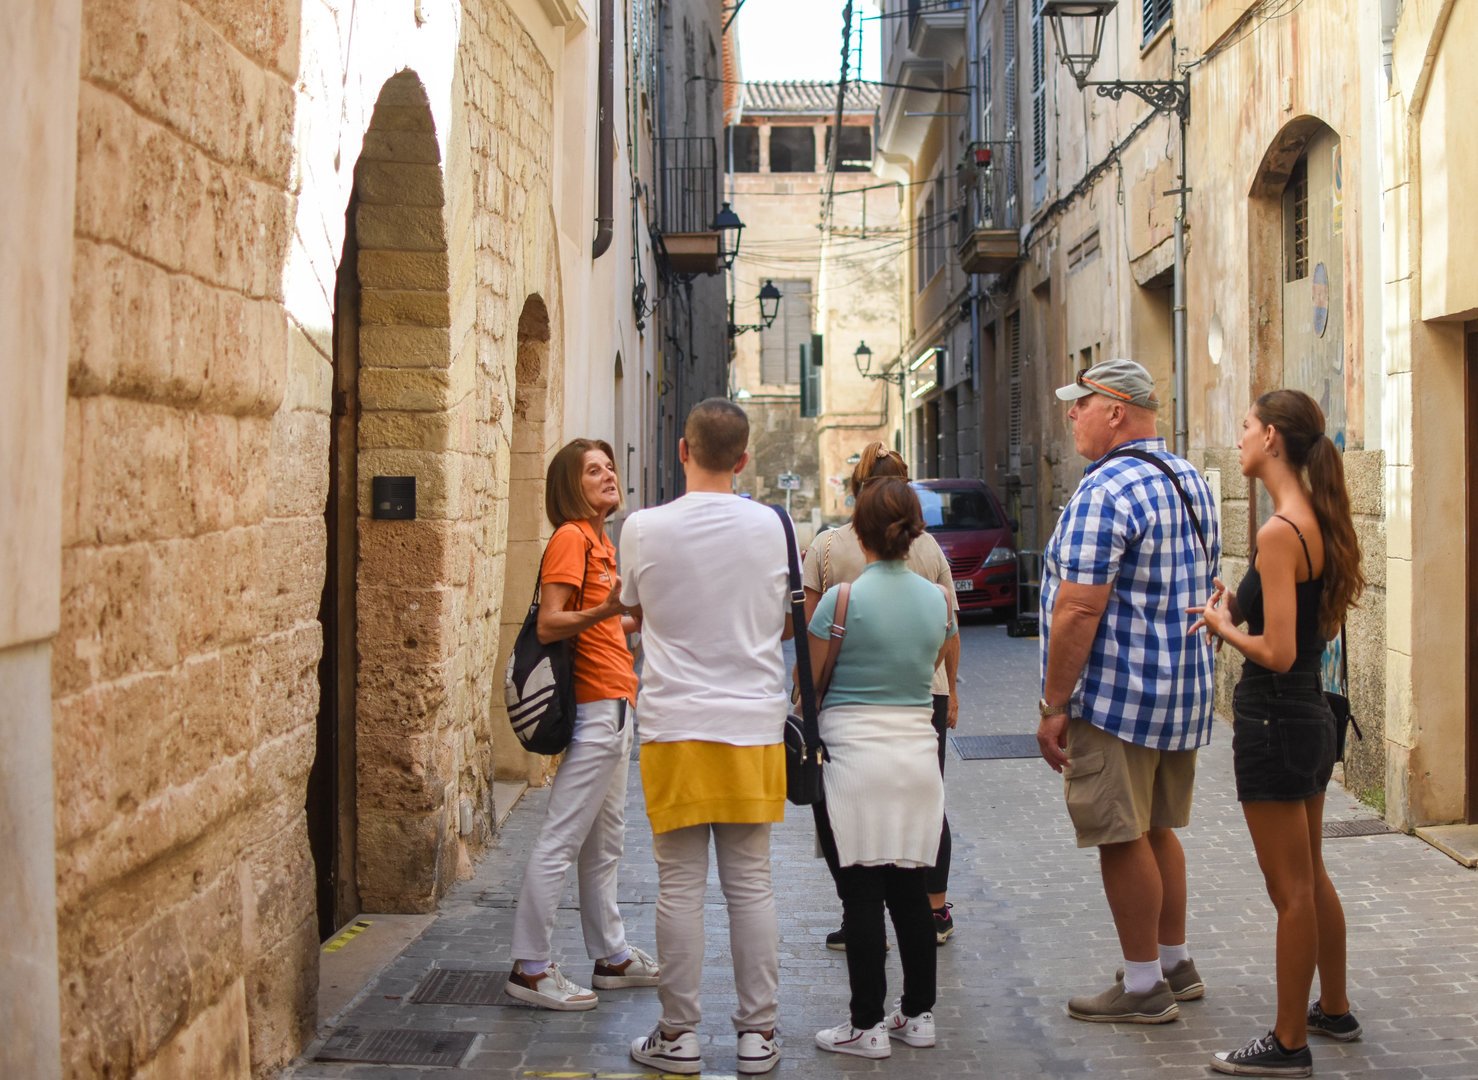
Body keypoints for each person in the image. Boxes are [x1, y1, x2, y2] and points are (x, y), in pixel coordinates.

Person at [1036, 358, 1220, 1025]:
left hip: (1117, 695)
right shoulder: (1191, 478)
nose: (1070, 415)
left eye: (1079, 404)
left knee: (1120, 833)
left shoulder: (1105, 489)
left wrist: (1055, 704)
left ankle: (1143, 988)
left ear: (1114, 408)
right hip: (1181, 690)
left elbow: (1079, 608)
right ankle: (1174, 963)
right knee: (1159, 828)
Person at [1190, 389, 1364, 1077]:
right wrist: (1241, 606)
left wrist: (1224, 628)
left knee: (1288, 888)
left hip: (1276, 718)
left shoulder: (1276, 531)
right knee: (1311, 873)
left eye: (1244, 428)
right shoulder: (1310, 519)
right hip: (1312, 717)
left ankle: (1289, 1042)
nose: (1237, 440)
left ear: (1271, 439)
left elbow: (1280, 651)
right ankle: (1336, 1008)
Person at [619, 399, 791, 1077]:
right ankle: (757, 1035)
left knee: (678, 888)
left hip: (674, 724)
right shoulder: (775, 527)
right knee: (752, 886)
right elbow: (780, 618)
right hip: (752, 725)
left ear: (682, 451)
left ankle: (678, 1035)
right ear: (745, 459)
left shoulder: (643, 527)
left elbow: (633, 607)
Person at [503, 439, 659, 1010]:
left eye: (610, 466)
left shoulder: (602, 541)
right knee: (560, 841)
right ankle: (530, 967)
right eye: (593, 470)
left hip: (617, 710)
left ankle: (612, 956)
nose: (608, 474)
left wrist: (632, 621)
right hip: (595, 714)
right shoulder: (571, 537)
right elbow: (550, 624)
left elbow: (604, 631)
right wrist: (607, 610)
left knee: (604, 845)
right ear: (572, 485)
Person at [807, 476, 955, 1059]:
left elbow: (809, 685)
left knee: (861, 895)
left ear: (860, 533)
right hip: (917, 756)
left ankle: (865, 1025)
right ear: (913, 530)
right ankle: (918, 1016)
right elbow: (932, 664)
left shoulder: (839, 602)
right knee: (912, 891)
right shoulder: (937, 601)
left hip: (854, 758)